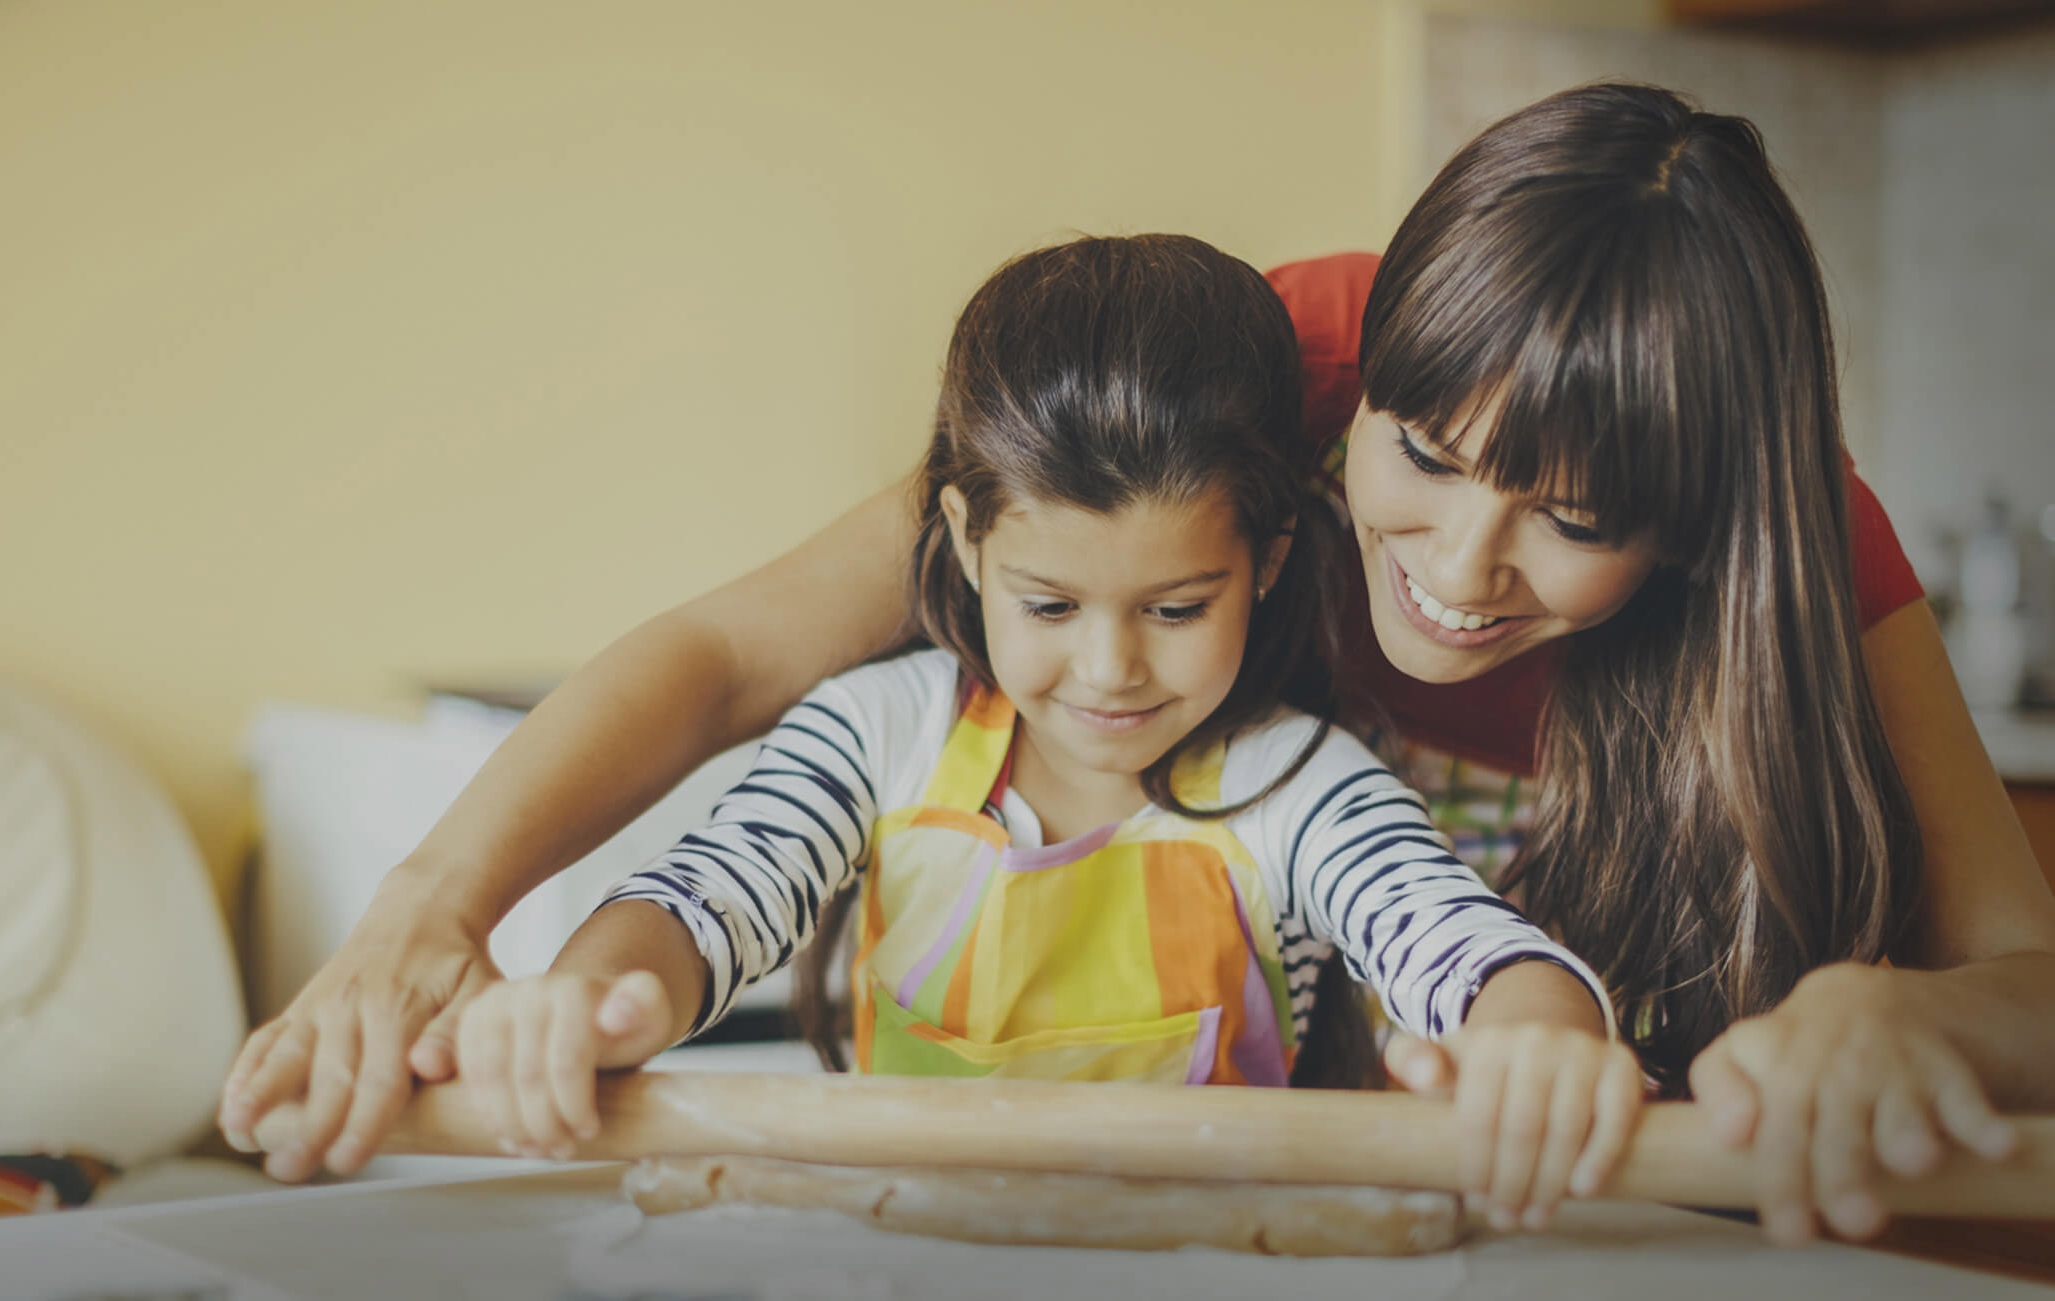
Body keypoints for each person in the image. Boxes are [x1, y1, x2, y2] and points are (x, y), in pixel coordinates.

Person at [223, 83, 2055, 1246]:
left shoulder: (1790, 543)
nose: (1461, 572)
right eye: (1416, 461)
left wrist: (1888, 1010)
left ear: (1702, 531)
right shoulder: (1275, 371)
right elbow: (728, 673)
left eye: (1571, 523)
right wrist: (449, 914)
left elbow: (2017, 973)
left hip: (1478, 1177)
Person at [444, 235, 1632, 1237]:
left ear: (1265, 563)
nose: (1108, 668)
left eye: (1175, 609)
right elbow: (705, 898)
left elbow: (1456, 944)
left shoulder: (1300, 786)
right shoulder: (878, 732)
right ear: (964, 541)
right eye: (1048, 605)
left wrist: (1534, 1041)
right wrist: (588, 998)